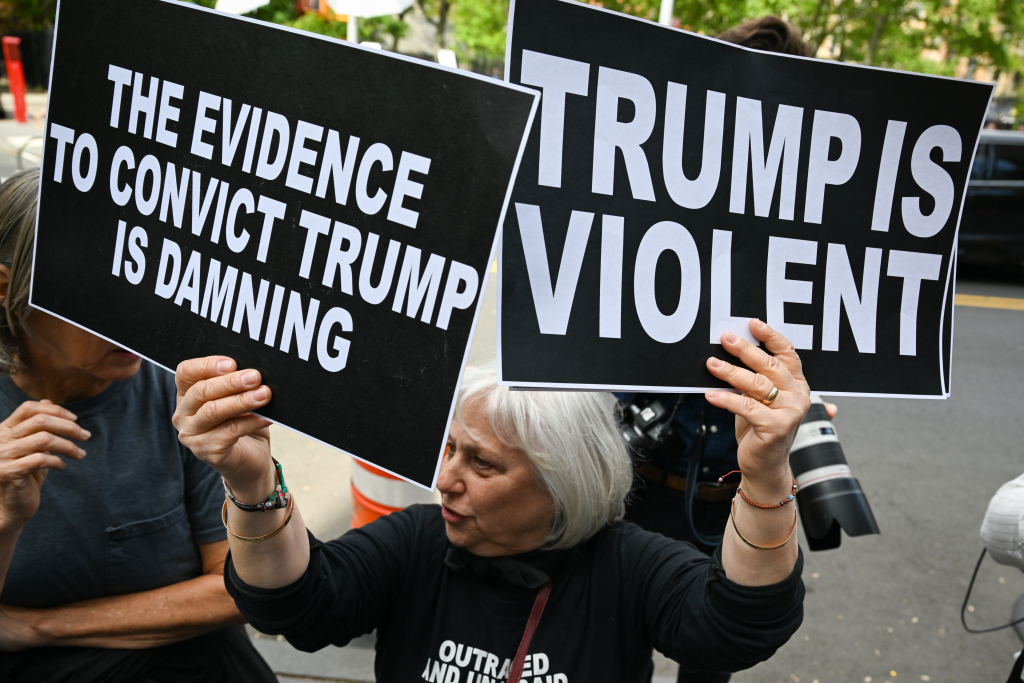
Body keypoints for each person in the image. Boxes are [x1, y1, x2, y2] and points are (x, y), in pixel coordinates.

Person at [172, 316, 811, 681]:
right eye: (449, 450)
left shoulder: (626, 566)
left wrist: (764, 475)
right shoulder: (419, 542)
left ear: (565, 482)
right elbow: (296, 605)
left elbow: (737, 628)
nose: (445, 480)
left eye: (482, 463)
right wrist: (253, 484)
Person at [0, 170, 276, 683]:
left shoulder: (182, 397)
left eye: (139, 278)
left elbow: (238, 586)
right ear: (8, 291)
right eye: (97, 289)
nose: (132, 317)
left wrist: (40, 627)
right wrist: (6, 517)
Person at [622, 20, 814, 681]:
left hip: (732, 500)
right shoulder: (637, 214)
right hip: (631, 490)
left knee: (713, 651)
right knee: (614, 640)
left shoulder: (811, 245)